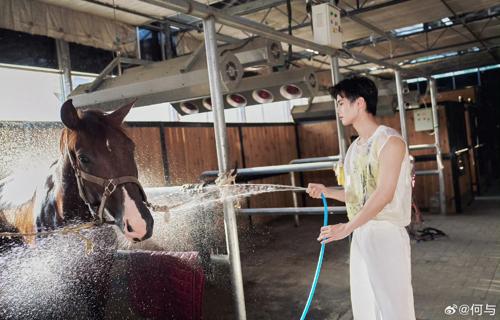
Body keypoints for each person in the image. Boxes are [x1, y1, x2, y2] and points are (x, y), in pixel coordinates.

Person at [306, 76, 416, 320]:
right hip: (361, 233)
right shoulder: (354, 149)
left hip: (386, 233)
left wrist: (346, 227)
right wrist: (327, 191)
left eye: (341, 102)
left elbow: (384, 195)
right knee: (365, 306)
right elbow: (356, 197)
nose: (338, 109)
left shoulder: (391, 142)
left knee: (394, 308)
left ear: (360, 104)